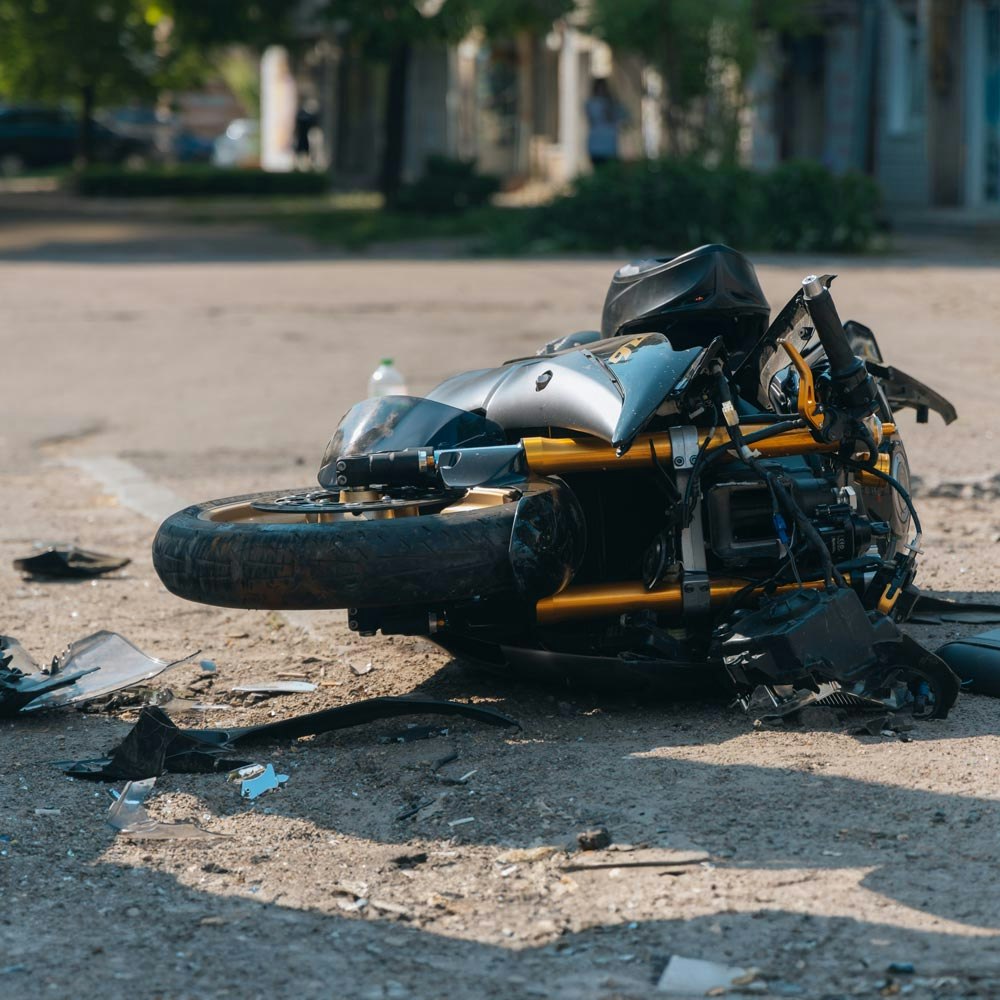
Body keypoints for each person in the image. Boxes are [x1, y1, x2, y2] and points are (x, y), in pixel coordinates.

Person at [585, 77, 625, 169]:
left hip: (609, 145)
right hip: (596, 145)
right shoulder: (591, 104)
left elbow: (623, 116)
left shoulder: (612, 104)